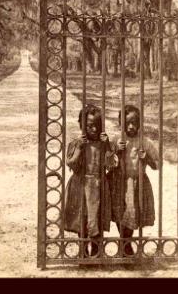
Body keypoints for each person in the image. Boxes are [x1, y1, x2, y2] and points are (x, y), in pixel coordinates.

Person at [64, 104, 118, 257]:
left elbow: (111, 165)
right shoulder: (76, 143)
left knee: (98, 219)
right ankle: (83, 253)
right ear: (82, 126)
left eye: (97, 126)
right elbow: (71, 164)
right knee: (83, 219)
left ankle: (96, 252)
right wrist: (80, 149)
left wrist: (107, 146)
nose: (94, 129)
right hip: (81, 186)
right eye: (89, 126)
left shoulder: (104, 144)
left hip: (99, 186)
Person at [109, 104, 159, 256]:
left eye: (134, 123)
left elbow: (157, 164)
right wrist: (117, 151)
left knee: (131, 213)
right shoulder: (116, 139)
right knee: (119, 212)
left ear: (139, 123)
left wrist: (147, 158)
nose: (131, 127)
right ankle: (125, 243)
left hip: (137, 184)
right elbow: (107, 163)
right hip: (118, 182)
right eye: (127, 123)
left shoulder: (145, 142)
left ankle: (126, 244)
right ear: (120, 123)